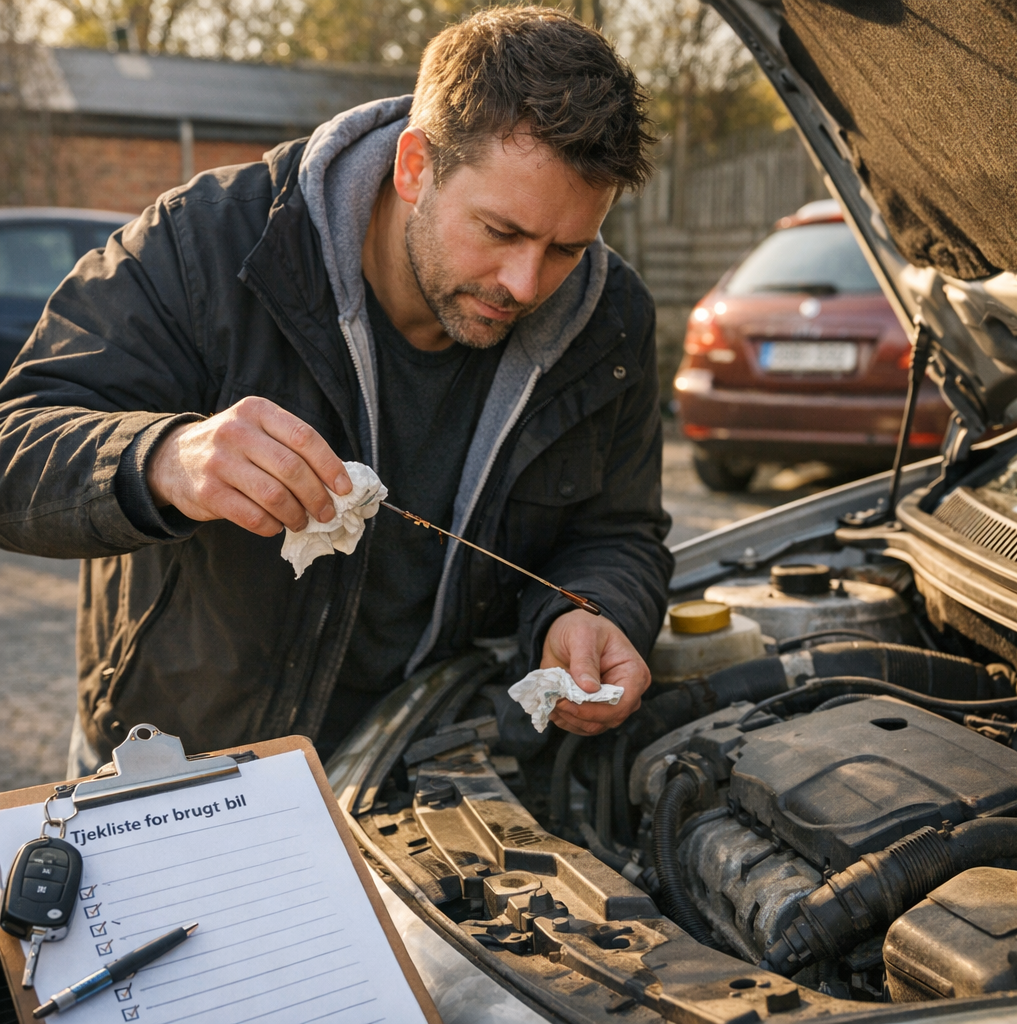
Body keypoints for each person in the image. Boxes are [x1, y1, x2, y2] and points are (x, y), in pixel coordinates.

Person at [0, 6, 672, 774]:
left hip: (424, 778)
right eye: (500, 232)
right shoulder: (203, 245)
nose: (525, 283)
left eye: (567, 249)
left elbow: (618, 532)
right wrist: (161, 458)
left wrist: (591, 611)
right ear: (415, 165)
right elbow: (12, 443)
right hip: (185, 771)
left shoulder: (610, 319)